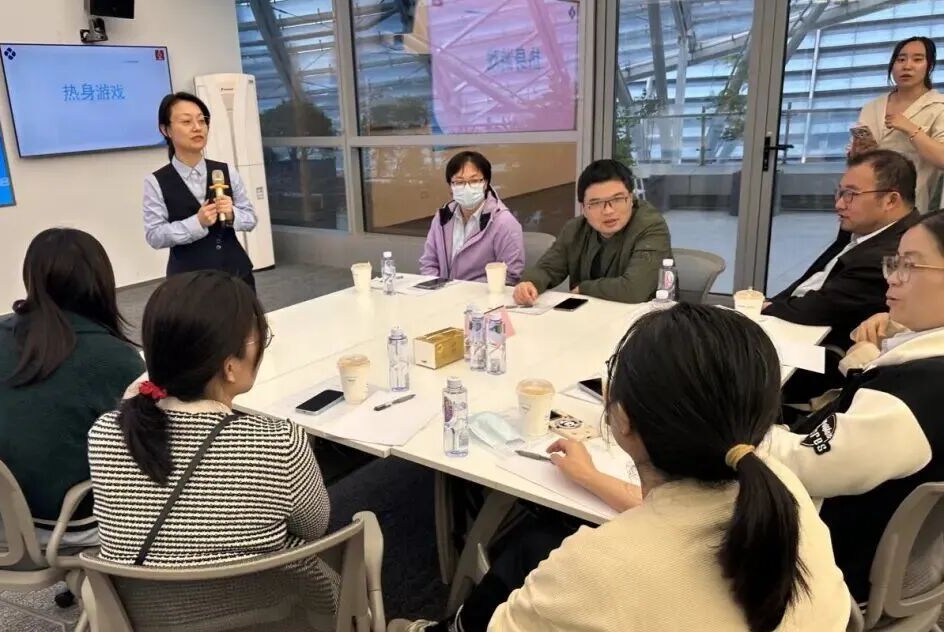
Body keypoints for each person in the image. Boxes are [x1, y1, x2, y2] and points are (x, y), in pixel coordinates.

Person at [391, 305, 851, 632]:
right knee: (536, 541)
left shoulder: (595, 568)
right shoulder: (781, 489)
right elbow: (678, 521)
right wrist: (591, 477)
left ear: (623, 419)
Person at [87, 271, 332, 612]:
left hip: (142, 616)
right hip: (265, 615)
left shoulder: (105, 434)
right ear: (230, 367)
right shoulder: (279, 443)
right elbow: (314, 527)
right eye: (260, 338)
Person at [767, 210, 944, 604]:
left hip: (829, 565)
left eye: (910, 265)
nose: (892, 278)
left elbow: (803, 466)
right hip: (897, 549)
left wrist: (736, 429)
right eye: (894, 263)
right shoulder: (921, 365)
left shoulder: (911, 396)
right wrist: (886, 341)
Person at [0, 228, 144, 545]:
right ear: (100, 281)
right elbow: (150, 454)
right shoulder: (118, 361)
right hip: (78, 524)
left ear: (31, 279)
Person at [765, 149, 920, 351]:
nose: (839, 204)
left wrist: (766, 307)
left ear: (890, 200)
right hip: (794, 314)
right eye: (840, 192)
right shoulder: (864, 228)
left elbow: (818, 310)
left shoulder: (893, 253)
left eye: (851, 195)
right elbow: (813, 278)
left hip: (819, 345)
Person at [512, 159, 671, 305]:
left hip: (644, 320)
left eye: (617, 199)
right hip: (590, 315)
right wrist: (530, 283)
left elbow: (634, 290)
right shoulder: (575, 229)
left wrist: (584, 288)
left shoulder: (651, 226)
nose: (608, 211)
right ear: (584, 208)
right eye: (596, 203)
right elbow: (548, 268)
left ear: (631, 199)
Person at [143, 92, 258, 290]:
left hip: (237, 275)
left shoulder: (226, 171)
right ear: (165, 130)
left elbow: (250, 218)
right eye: (186, 121)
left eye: (202, 120)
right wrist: (197, 223)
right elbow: (155, 235)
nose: (197, 127)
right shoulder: (156, 182)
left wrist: (232, 214)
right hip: (189, 282)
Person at [851, 36, 944, 212]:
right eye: (901, 59)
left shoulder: (939, 106)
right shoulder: (872, 107)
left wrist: (911, 129)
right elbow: (855, 161)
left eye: (917, 59)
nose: (907, 66)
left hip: (913, 204)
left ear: (929, 66)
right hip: (867, 200)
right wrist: (857, 153)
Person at [418, 150, 524, 283]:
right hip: (443, 293)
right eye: (459, 182)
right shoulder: (442, 217)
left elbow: (510, 275)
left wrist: (465, 291)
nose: (467, 188)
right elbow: (428, 263)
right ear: (450, 186)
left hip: (484, 295)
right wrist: (437, 288)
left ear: (485, 183)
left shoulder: (504, 222)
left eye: (474, 181)